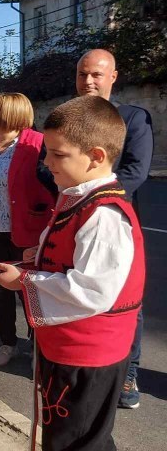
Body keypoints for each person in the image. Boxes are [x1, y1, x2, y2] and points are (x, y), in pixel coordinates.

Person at [0, 95, 143, 451]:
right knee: (84, 436)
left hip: (88, 356)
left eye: (57, 155)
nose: (46, 163)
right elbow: (67, 255)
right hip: (71, 350)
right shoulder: (79, 197)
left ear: (94, 156)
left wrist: (25, 281)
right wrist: (35, 258)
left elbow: (92, 290)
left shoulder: (104, 215)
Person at [74, 48, 153, 410]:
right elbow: (50, 167)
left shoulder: (134, 118)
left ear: (113, 77)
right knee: (79, 291)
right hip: (70, 222)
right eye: (82, 74)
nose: (88, 81)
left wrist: (91, 198)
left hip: (116, 221)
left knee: (126, 300)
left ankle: (128, 373)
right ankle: (83, 364)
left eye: (96, 74)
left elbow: (136, 171)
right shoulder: (68, 119)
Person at [0, 93, 55, 367]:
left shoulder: (36, 145)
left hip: (27, 232)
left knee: (30, 291)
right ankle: (8, 343)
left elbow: (54, 185)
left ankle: (39, 345)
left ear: (11, 114)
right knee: (1, 291)